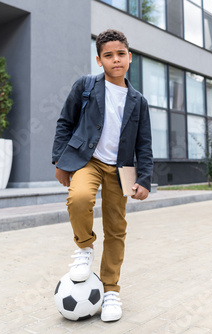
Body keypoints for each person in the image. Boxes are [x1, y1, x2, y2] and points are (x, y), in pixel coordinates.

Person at [52, 29, 153, 322]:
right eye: (108, 55)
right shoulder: (85, 86)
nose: (115, 60)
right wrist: (59, 160)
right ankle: (84, 246)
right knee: (79, 198)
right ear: (99, 60)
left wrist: (144, 179)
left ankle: (111, 291)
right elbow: (65, 122)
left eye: (120, 54)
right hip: (88, 160)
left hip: (122, 169)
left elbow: (144, 144)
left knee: (116, 228)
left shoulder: (139, 101)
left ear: (129, 57)